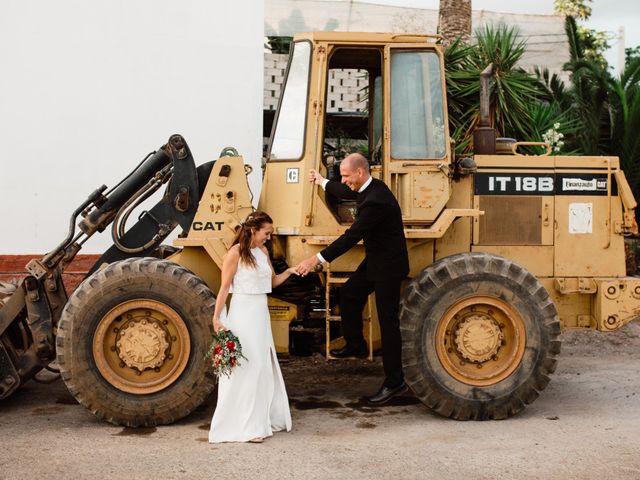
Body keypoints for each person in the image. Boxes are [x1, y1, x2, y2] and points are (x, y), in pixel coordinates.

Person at [296, 153, 410, 405]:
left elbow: (351, 237)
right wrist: (322, 181)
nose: (344, 180)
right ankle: (355, 344)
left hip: (388, 267)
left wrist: (316, 259)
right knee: (349, 294)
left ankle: (395, 382)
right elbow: (346, 191)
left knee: (388, 324)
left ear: (360, 173)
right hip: (377, 261)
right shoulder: (369, 187)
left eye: (347, 176)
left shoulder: (376, 201)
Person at [209, 211, 296, 443]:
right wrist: (216, 318)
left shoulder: (263, 252)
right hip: (242, 313)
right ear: (253, 230)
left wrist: (289, 271)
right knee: (247, 365)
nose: (269, 237)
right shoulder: (234, 253)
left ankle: (259, 419)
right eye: (266, 233)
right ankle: (247, 425)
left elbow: (271, 282)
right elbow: (224, 288)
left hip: (260, 313)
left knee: (261, 365)